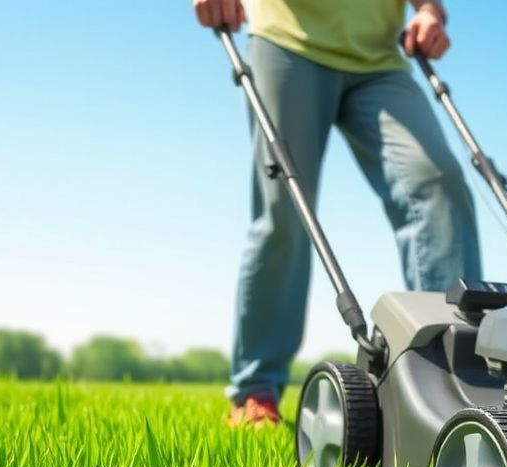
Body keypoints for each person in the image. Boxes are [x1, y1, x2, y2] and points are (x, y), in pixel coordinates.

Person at [194, 0, 482, 427]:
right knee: (284, 209)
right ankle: (256, 392)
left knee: (437, 181)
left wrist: (430, 13)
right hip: (287, 39)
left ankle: (455, 376)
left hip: (380, 59)